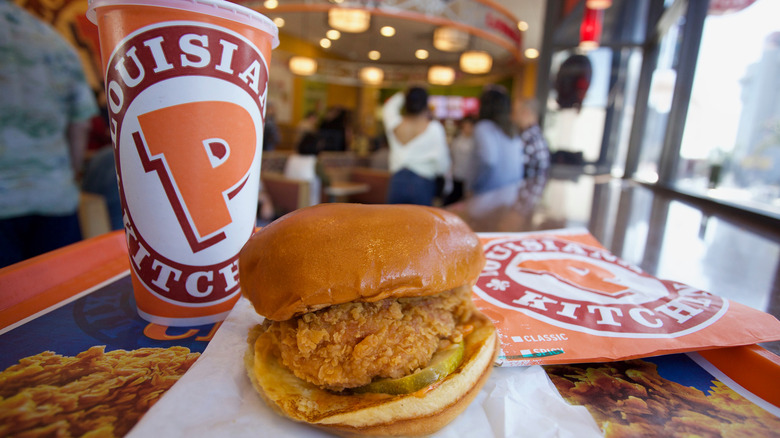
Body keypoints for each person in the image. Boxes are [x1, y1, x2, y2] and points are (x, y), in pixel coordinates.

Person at [0, 1, 99, 268]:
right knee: (55, 298)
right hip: (54, 195)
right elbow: (81, 123)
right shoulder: (50, 40)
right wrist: (71, 175)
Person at [382, 87, 450, 206]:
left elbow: (388, 107)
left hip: (396, 182)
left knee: (394, 223)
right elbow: (442, 164)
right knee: (421, 223)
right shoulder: (434, 128)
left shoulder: (394, 123)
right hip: (422, 183)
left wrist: (406, 92)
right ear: (426, 104)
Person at [471, 86, 524, 194]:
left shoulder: (483, 127)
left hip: (488, 194)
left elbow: (488, 160)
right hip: (510, 192)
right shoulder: (511, 129)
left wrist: (473, 186)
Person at [283, 133, 328, 206]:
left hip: (289, 201)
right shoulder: (315, 162)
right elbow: (327, 181)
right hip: (308, 204)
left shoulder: (291, 158)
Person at [513, 98, 551, 178]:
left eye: (517, 113)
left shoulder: (527, 137)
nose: (514, 117)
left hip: (525, 187)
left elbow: (513, 168)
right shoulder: (538, 135)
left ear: (525, 113)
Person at [444, 116, 477, 205]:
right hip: (457, 176)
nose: (466, 129)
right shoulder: (457, 139)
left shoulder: (476, 141)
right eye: (464, 126)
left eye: (469, 126)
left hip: (469, 179)